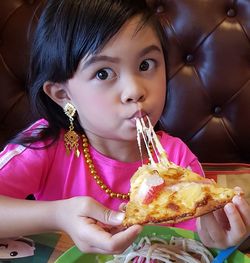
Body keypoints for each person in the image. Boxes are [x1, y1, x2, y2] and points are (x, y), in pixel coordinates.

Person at [0, 0, 249, 255]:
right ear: (63, 94)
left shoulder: (176, 161)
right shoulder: (44, 144)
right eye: (103, 74)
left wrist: (221, 239)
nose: (135, 91)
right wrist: (57, 215)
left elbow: (195, 238)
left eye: (145, 65)